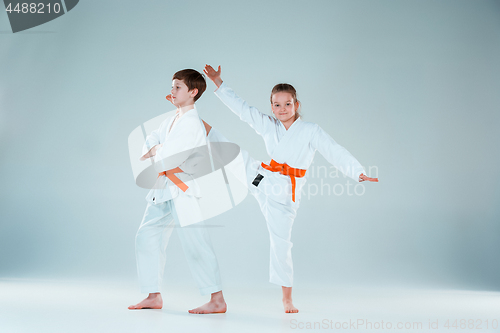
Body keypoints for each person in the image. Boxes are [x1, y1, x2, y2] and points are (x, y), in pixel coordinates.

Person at [204, 64, 378, 313]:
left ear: (296, 105)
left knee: (281, 243)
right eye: (276, 105)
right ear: (271, 106)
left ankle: (286, 298)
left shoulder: (310, 131)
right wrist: (219, 83)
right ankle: (197, 124)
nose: (282, 109)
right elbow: (242, 110)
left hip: (283, 195)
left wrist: (357, 171)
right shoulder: (267, 125)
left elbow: (333, 150)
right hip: (261, 177)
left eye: (287, 104)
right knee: (233, 154)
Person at [128, 69, 227, 314]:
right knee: (146, 235)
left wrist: (159, 150)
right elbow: (151, 138)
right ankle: (153, 295)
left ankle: (217, 299)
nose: (172, 91)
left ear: (193, 92)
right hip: (163, 188)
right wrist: (157, 147)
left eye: (178, 87)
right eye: (172, 87)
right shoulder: (172, 119)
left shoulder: (192, 122)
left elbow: (167, 157)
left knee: (196, 243)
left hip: (182, 188)